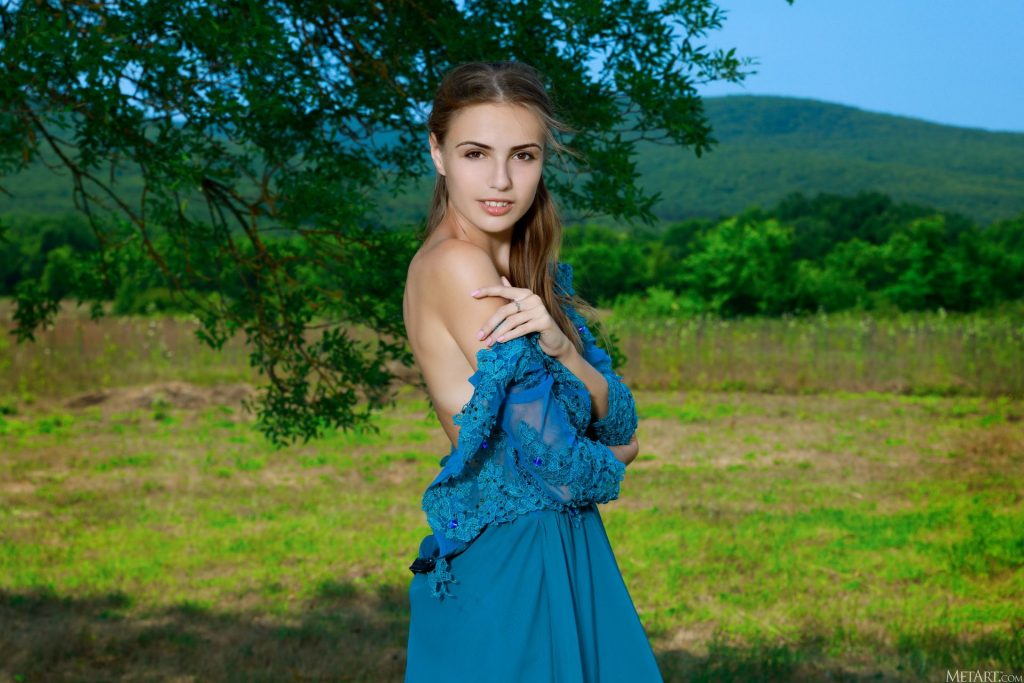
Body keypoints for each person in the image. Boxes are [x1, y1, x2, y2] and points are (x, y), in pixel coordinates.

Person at [402, 61, 663, 682]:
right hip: (516, 561)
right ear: (437, 153)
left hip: (556, 547)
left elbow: (616, 421)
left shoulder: (525, 273)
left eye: (522, 156)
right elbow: (564, 462)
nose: (500, 180)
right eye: (475, 153)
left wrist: (565, 352)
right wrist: (621, 452)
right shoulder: (457, 265)